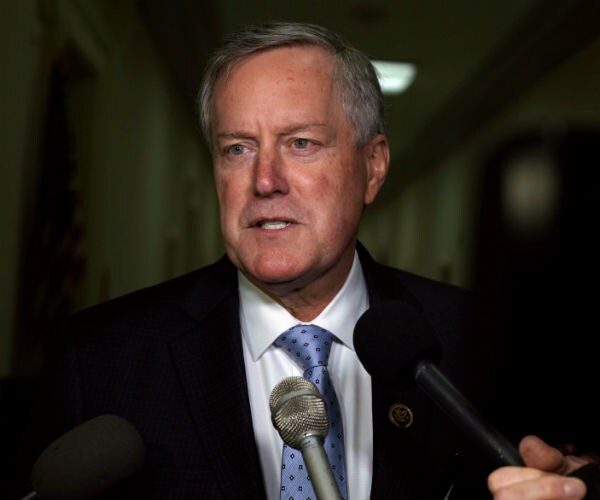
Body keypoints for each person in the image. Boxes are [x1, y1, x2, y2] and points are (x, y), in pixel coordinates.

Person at [14, 20, 598, 500]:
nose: (264, 180)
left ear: (372, 167)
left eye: (301, 143)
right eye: (237, 148)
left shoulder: (481, 341)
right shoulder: (98, 361)